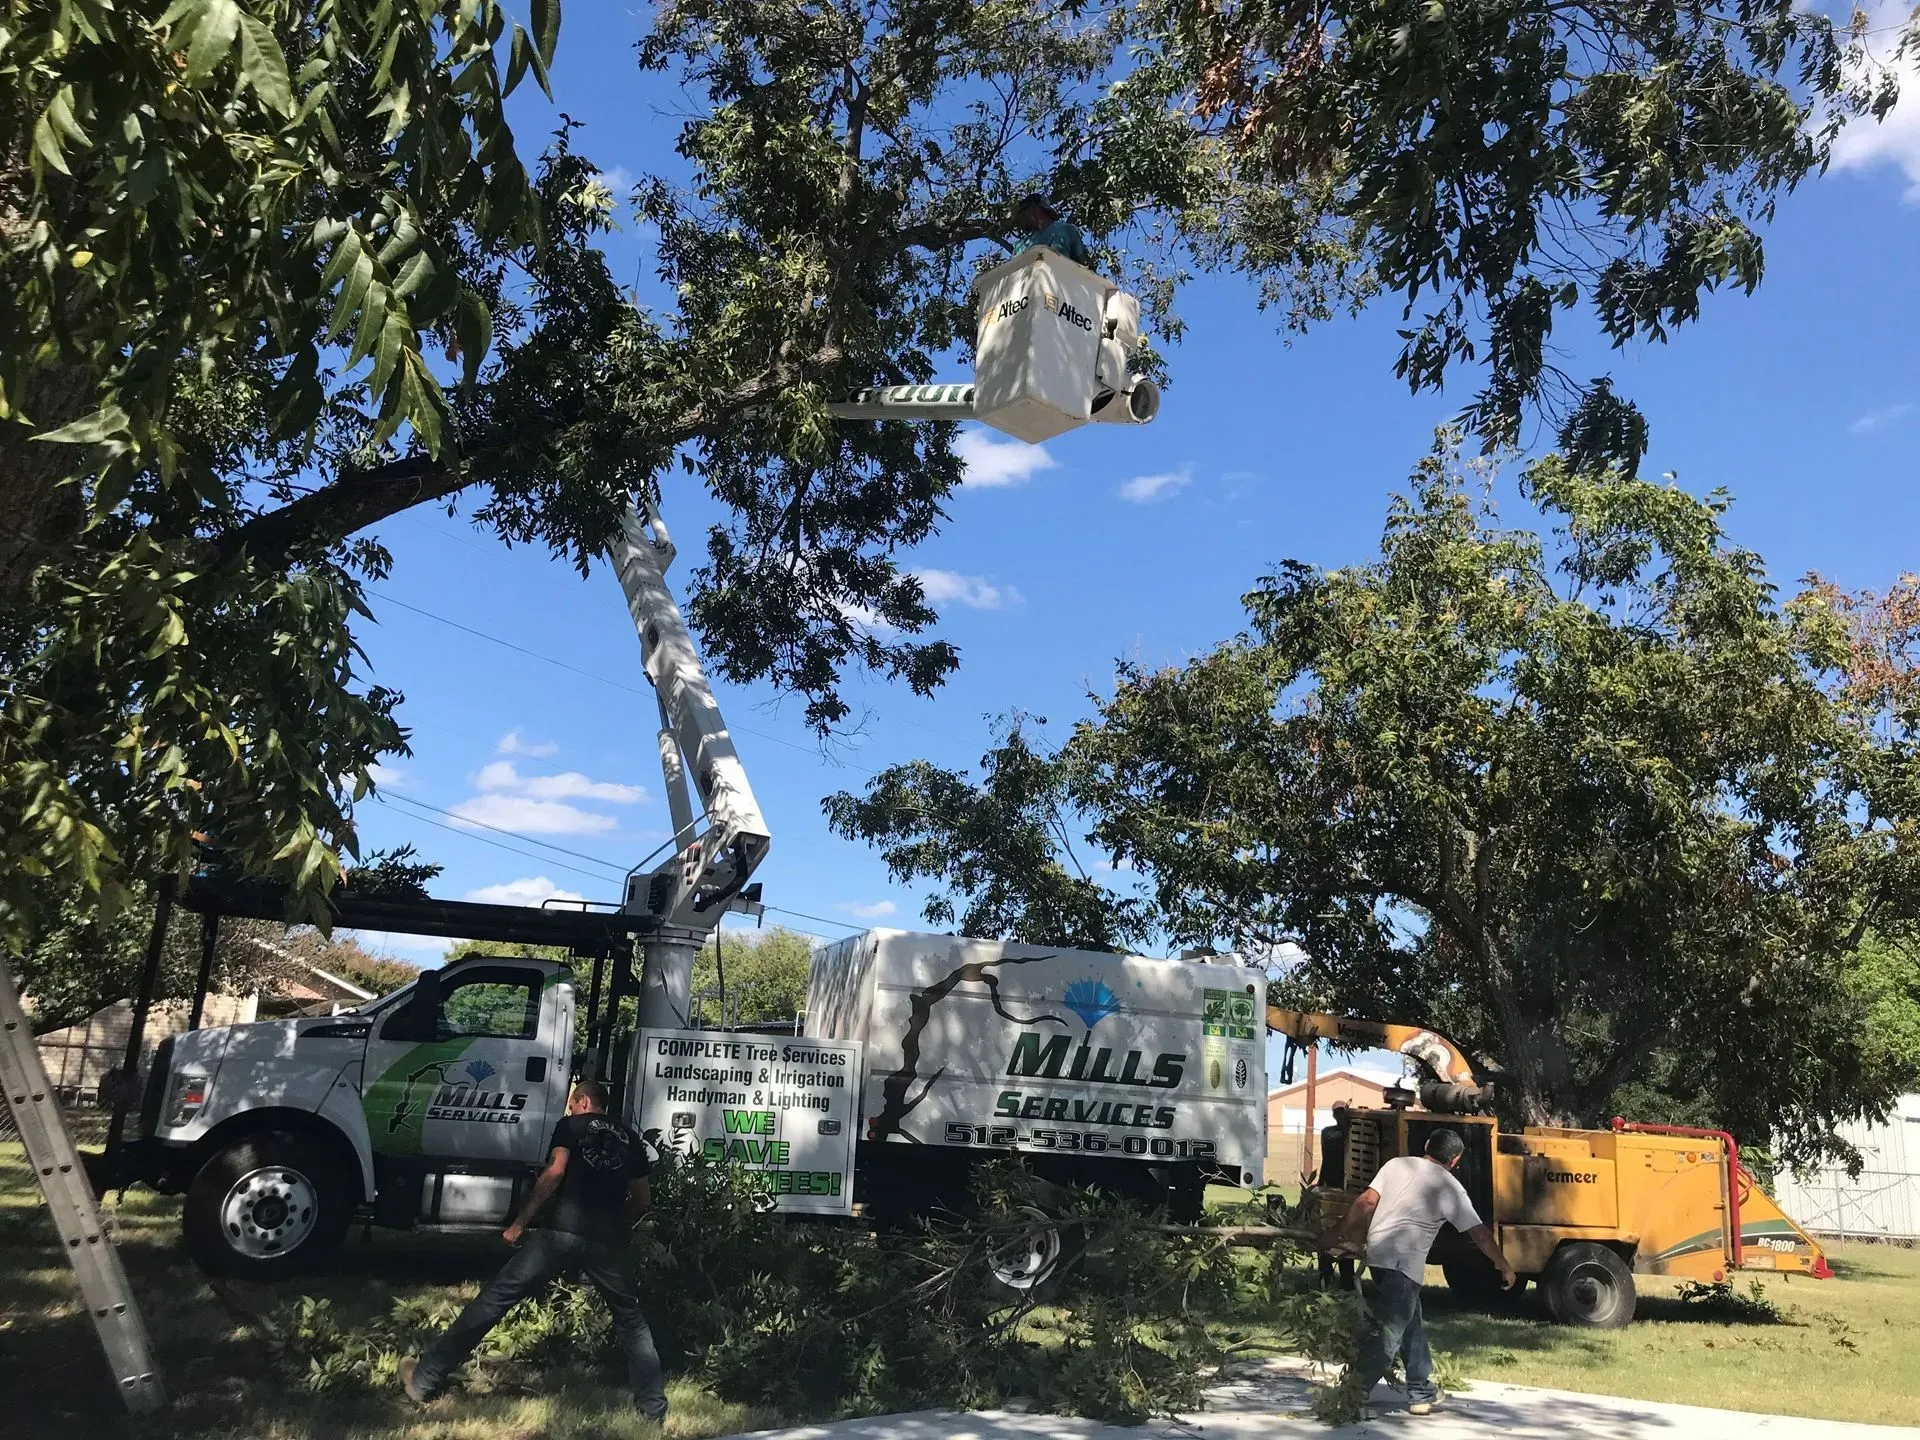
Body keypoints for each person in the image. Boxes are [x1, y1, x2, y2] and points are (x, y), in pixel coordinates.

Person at [399, 1080, 667, 1421]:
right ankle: (652, 1411)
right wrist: (615, 1226)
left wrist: (519, 1223)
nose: (570, 1110)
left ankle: (424, 1379)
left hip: (561, 1233)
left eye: (572, 1104)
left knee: (495, 1300)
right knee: (631, 1321)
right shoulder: (630, 1137)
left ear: (584, 1102)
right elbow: (643, 1200)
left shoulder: (570, 1126)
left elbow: (554, 1173)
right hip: (607, 1242)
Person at [1327, 1129, 1515, 1416]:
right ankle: (1353, 1395)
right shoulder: (1450, 1187)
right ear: (1455, 1160)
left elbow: (1366, 1202)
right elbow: (1480, 1234)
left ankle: (1420, 1391)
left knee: (1410, 1325)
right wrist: (1503, 1265)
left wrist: (1337, 1234)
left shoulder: (1396, 1165)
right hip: (1404, 1265)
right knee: (1389, 1334)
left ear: (1427, 1145)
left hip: (1378, 1258)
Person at [1011, 193, 1091, 265]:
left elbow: (1084, 264)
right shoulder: (1020, 246)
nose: (1021, 216)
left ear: (1035, 208)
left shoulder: (1067, 230)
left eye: (1023, 210)